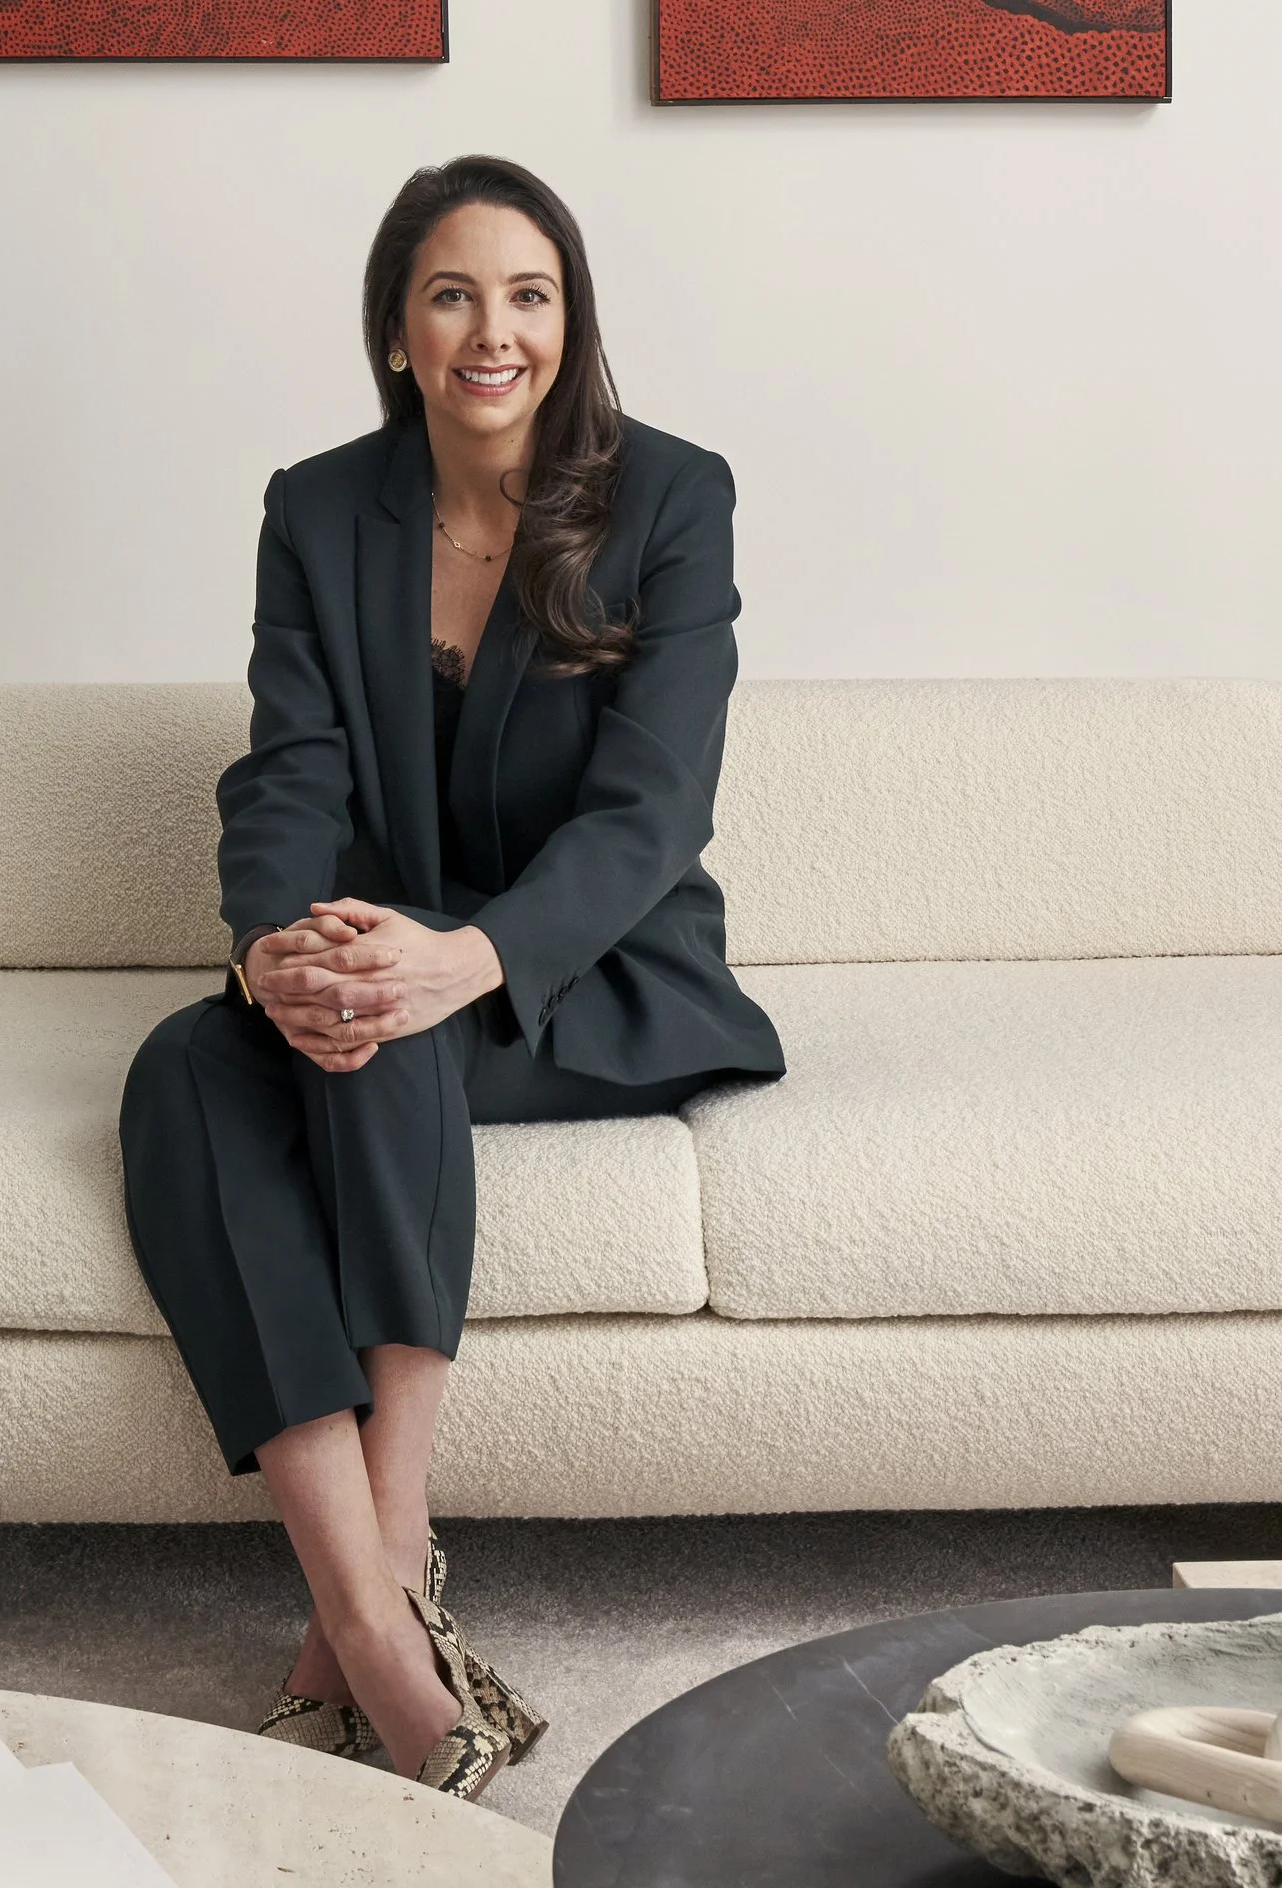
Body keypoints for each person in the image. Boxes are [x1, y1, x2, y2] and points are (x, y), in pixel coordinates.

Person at [119, 155, 785, 1798]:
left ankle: (388, 1552)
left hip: (597, 968)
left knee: (391, 1029)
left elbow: (652, 812)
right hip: (390, 939)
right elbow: (290, 771)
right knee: (187, 1064)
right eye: (453, 294)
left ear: (571, 320)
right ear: (397, 330)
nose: (496, 331)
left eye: (529, 294)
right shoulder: (318, 507)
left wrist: (462, 958)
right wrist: (278, 946)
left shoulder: (672, 498)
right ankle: (370, 1612)